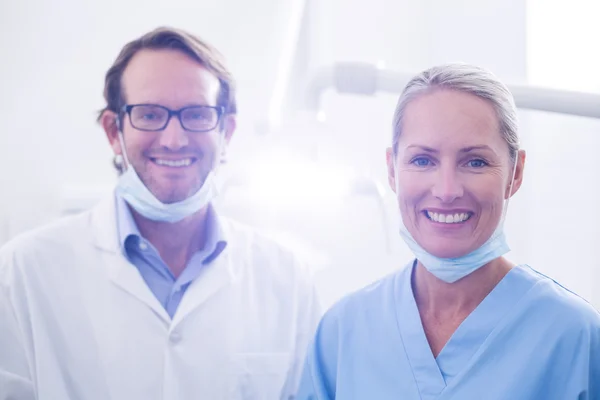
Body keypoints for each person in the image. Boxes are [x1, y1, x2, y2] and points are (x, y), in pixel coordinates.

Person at [0, 26, 321, 400]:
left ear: (226, 131)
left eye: (197, 115)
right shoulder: (22, 271)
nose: (173, 139)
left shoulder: (286, 279)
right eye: (150, 115)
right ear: (112, 131)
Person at [296, 63, 600, 399]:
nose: (446, 190)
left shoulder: (573, 336)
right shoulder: (342, 332)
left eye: (475, 162)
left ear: (515, 173)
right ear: (392, 170)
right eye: (423, 160)